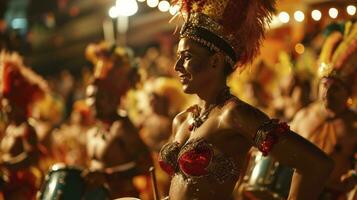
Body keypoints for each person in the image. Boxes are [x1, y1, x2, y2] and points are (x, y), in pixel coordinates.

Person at [158, 1, 334, 199]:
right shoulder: (182, 120)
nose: (177, 66)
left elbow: (316, 165)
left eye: (187, 57)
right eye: (178, 56)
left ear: (215, 61)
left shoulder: (234, 115)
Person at [291, 21, 357, 199]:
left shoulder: (354, 125)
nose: (327, 92)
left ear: (348, 92)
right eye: (324, 85)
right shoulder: (303, 115)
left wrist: (353, 176)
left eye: (335, 88)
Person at [82, 42, 152, 199]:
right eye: (90, 97)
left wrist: (109, 176)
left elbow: (147, 165)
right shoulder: (93, 131)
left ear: (113, 98)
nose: (93, 103)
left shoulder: (123, 126)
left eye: (99, 97)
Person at [0, 51, 48, 200]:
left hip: (21, 190)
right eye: (4, 107)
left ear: (20, 105)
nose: (6, 110)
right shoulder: (9, 129)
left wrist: (8, 165)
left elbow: (32, 157)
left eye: (10, 107)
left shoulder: (27, 128)